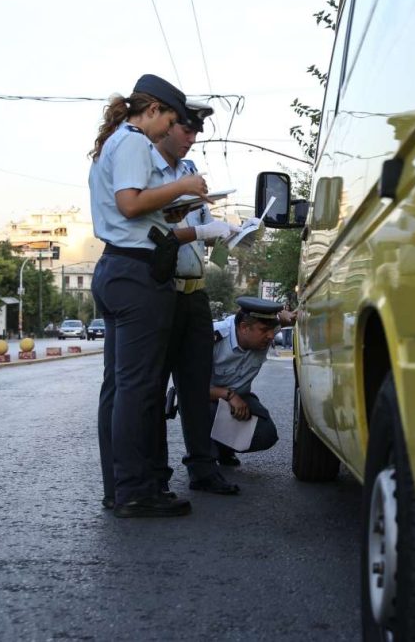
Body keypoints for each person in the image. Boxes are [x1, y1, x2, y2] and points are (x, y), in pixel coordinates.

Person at [89, 74, 218, 519]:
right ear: (154, 111)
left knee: (122, 386)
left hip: (119, 267)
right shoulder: (132, 142)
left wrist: (171, 208)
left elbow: (138, 207)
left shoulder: (119, 141)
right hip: (136, 273)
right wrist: (183, 187)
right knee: (138, 389)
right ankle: (135, 491)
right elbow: (129, 204)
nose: (169, 131)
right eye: (170, 121)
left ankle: (120, 487)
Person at [151, 99, 241, 496]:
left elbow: (202, 231)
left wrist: (229, 232)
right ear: (166, 124)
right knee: (152, 387)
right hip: (160, 290)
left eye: (195, 133)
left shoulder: (190, 172)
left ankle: (203, 469)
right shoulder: (147, 168)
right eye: (185, 130)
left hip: (195, 291)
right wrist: (202, 232)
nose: (190, 139)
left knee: (195, 384)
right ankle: (155, 474)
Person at [208, 297, 295, 465]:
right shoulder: (213, 337)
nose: (271, 336)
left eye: (272, 330)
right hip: (205, 399)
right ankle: (204, 460)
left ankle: (224, 448)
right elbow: (190, 386)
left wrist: (290, 315)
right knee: (206, 413)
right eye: (264, 330)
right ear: (244, 328)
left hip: (241, 398)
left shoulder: (263, 330)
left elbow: (283, 319)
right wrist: (229, 396)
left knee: (266, 433)